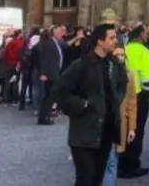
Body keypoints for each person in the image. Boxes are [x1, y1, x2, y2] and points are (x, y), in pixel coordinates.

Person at [51, 24, 127, 186]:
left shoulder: (115, 64)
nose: (116, 42)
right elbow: (58, 90)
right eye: (112, 38)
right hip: (84, 134)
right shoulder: (82, 64)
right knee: (85, 179)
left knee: (97, 178)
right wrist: (82, 104)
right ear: (100, 41)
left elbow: (122, 84)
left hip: (106, 132)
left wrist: (115, 100)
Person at [119, 25, 149, 178]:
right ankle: (132, 165)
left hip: (123, 95)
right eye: (146, 33)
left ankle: (121, 162)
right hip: (139, 95)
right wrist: (145, 97)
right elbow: (147, 79)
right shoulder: (144, 51)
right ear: (140, 35)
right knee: (137, 131)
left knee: (124, 128)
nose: (148, 36)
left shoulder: (125, 49)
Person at [103, 46, 137, 186]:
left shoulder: (129, 76)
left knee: (112, 160)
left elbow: (132, 103)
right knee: (109, 161)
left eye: (122, 55)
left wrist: (132, 128)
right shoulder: (103, 73)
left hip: (120, 123)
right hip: (105, 122)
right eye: (117, 54)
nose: (120, 57)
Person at [38, 25, 65, 125]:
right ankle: (44, 117)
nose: (60, 34)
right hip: (50, 74)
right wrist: (43, 73)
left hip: (54, 73)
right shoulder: (49, 43)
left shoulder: (55, 43)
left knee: (49, 96)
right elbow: (45, 59)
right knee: (48, 97)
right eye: (58, 32)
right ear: (53, 33)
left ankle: (44, 116)